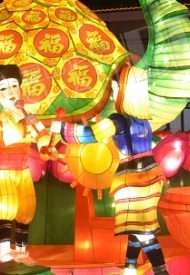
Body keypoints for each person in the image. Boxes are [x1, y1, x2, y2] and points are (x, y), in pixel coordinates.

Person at [50, 110, 169, 275]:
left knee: (142, 231)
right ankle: (129, 268)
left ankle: (161, 271)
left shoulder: (118, 120)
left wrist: (62, 128)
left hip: (134, 179)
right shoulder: (143, 119)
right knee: (136, 226)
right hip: (152, 176)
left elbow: (92, 134)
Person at [0, 64, 50, 263]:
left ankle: (22, 251)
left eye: (14, 86)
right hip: (2, 171)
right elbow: (1, 140)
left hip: (23, 170)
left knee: (26, 210)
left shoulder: (28, 116)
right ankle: (5, 251)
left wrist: (46, 147)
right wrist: (24, 124)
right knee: (6, 207)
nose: (10, 92)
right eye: (3, 88)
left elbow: (42, 135)